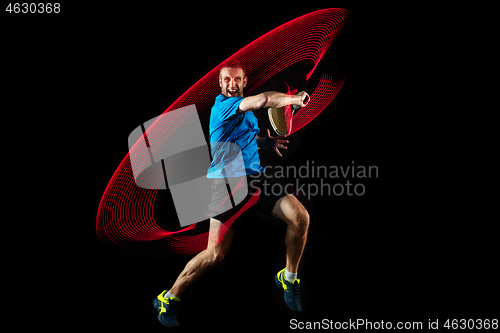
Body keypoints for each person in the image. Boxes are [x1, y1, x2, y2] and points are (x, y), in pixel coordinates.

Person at [153, 61, 310, 327]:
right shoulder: (223, 107)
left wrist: (266, 142)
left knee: (300, 218)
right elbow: (263, 100)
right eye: (226, 80)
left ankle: (289, 277)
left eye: (237, 80)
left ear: (244, 81)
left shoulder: (243, 113)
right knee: (215, 254)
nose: (231, 84)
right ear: (220, 83)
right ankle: (168, 297)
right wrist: (294, 98)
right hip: (228, 184)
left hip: (256, 177)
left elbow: (246, 135)